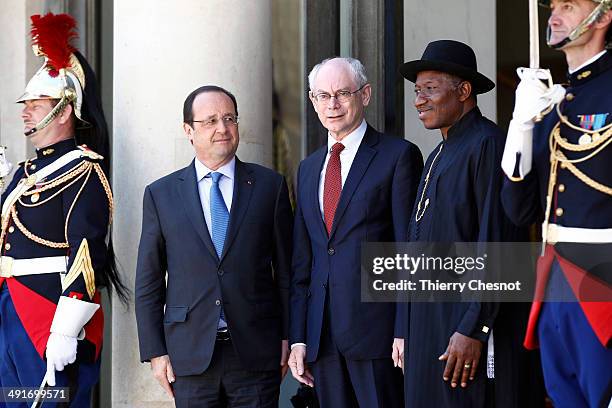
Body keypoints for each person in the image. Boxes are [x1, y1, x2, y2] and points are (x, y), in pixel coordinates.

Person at [395, 40, 545, 408]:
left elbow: (499, 245)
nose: (418, 101)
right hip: (433, 331)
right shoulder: (436, 155)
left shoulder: (488, 145)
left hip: (471, 337)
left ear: (464, 91)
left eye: (430, 89)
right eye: (417, 90)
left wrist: (473, 327)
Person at [135, 85, 293, 407]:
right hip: (189, 356)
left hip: (256, 351)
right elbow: (149, 281)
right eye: (210, 121)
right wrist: (155, 352)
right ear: (188, 131)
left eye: (229, 118)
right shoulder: (161, 194)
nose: (222, 128)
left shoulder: (269, 186)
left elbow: (288, 272)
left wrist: (289, 335)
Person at [0, 13, 127, 407]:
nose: (25, 111)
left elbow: (87, 254)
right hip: (10, 307)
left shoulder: (83, 171)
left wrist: (65, 331)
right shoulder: (24, 173)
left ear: (65, 109)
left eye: (36, 104)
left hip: (48, 312)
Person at [288, 57, 423, 407]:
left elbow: (409, 250)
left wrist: (403, 329)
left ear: (365, 95)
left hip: (378, 337)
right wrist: (299, 337)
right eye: (322, 95)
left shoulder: (397, 156)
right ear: (312, 100)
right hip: (322, 340)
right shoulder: (307, 169)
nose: (332, 104)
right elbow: (304, 262)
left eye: (342, 93)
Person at [500, 1, 612, 406]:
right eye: (553, 6)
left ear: (602, 16)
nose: (554, 15)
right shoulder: (555, 101)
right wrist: (520, 125)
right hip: (555, 283)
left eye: (569, 5)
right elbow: (518, 209)